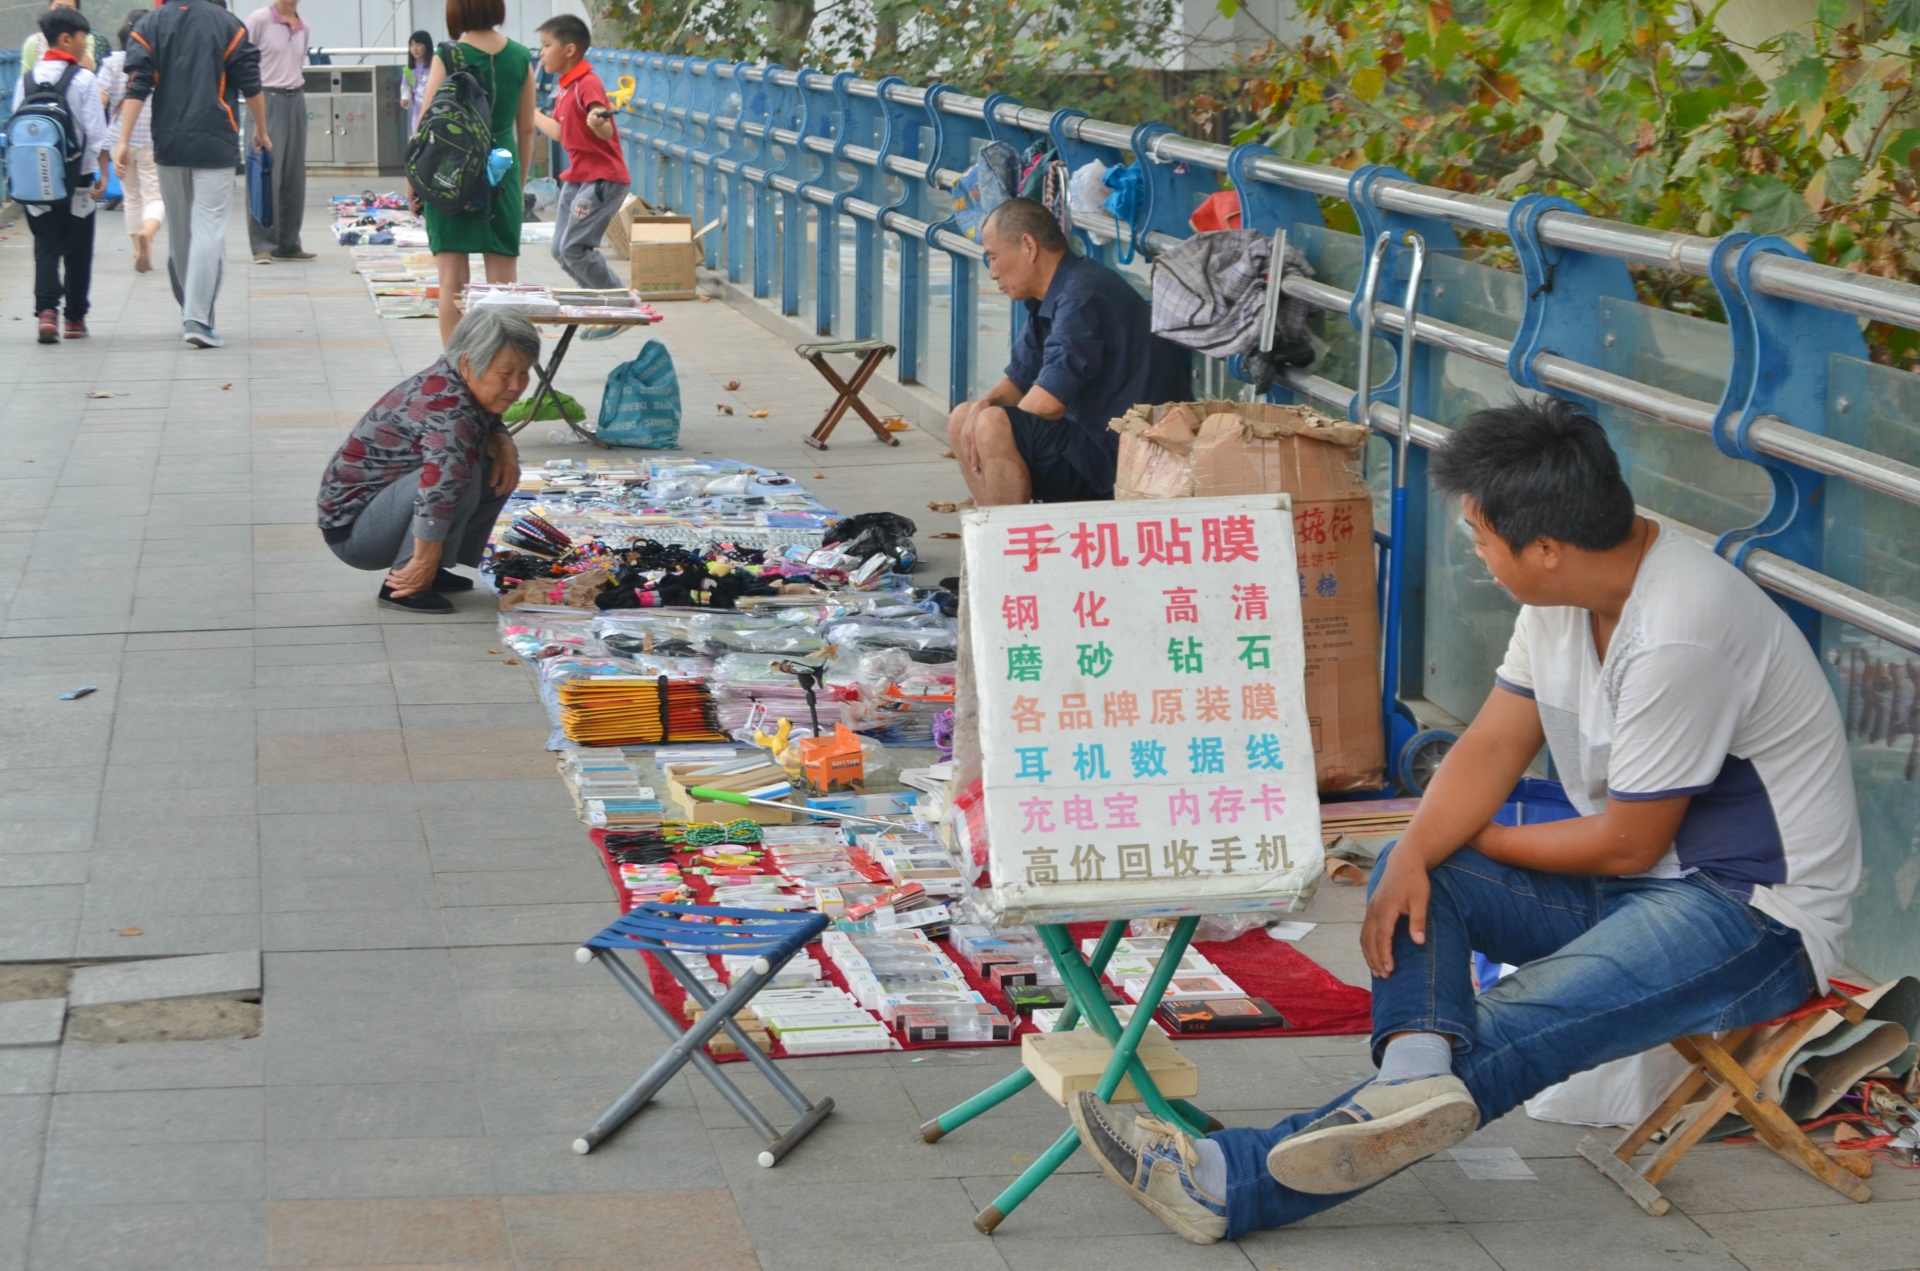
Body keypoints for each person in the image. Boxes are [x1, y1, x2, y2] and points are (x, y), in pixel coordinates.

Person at [1067, 397, 1862, 1245]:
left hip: (1751, 914)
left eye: (1482, 537)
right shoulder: (1570, 588)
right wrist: (1413, 849)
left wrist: (1473, 840)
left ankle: (1228, 1181)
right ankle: (1413, 1073)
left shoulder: (1680, 629)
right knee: (1420, 873)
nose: (1477, 554)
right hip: (1645, 884)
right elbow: (1488, 746)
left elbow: (1630, 843)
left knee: (1515, 1024)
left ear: (1546, 548)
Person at [947, 197, 1191, 504]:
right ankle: (987, 537)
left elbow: (1048, 403)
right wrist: (981, 408)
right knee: (963, 417)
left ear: (1028, 246)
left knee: (993, 425)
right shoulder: (1049, 296)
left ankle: (1012, 546)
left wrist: (991, 432)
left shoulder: (1083, 295)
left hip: (1127, 457)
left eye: (993, 257)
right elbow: (1019, 381)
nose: (992, 272)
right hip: (1088, 445)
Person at [316, 306, 530, 614]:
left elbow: (487, 420)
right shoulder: (446, 408)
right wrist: (423, 560)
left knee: (487, 468)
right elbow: (440, 486)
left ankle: (434, 567)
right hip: (354, 533)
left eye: (524, 372)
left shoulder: (455, 378)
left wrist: (505, 445)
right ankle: (404, 584)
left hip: (381, 510)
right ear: (468, 364)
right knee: (458, 474)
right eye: (505, 374)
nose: (516, 386)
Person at [118, 0, 270, 349]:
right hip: (215, 139)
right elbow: (250, 82)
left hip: (168, 141)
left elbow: (138, 84)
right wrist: (262, 129)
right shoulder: (228, 24)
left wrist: (123, 140)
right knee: (208, 229)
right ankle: (197, 318)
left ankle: (192, 311)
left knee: (182, 232)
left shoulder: (151, 24)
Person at [412, 0, 533, 347]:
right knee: (503, 284)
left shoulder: (448, 55)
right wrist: (517, 183)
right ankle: (499, 368)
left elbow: (427, 121)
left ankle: (455, 370)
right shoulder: (521, 56)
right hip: (503, 172)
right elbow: (526, 130)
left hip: (451, 172)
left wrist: (413, 180)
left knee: (452, 280)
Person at [17, 6, 110, 343]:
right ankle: (74, 318)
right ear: (67, 38)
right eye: (84, 37)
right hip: (76, 180)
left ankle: (46, 313)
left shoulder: (26, 79)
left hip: (36, 182)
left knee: (45, 245)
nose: (86, 44)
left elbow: (17, 126)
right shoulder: (84, 79)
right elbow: (95, 132)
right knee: (78, 248)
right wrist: (100, 171)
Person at [531, 12, 629, 331]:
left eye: (547, 45)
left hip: (601, 179)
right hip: (577, 178)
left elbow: (602, 124)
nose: (542, 53)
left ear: (569, 49)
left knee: (574, 248)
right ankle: (599, 304)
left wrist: (599, 120)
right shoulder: (565, 86)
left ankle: (619, 307)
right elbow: (559, 132)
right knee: (560, 249)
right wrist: (527, 111)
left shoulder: (587, 82)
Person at [243, 0, 313, 263]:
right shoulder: (259, 20)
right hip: (266, 98)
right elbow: (244, 62)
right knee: (264, 171)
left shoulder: (303, 26)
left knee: (293, 174)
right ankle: (262, 244)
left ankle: (289, 242)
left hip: (296, 98)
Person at [97, 14, 162, 274]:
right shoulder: (159, 62)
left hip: (119, 140)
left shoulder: (111, 64)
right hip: (152, 139)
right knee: (154, 196)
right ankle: (148, 233)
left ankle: (139, 251)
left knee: (132, 197)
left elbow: (99, 102)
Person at [22, 0, 105, 70]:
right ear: (49, 8)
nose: (63, 12)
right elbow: (25, 79)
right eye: (58, 7)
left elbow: (88, 69)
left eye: (69, 9)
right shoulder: (33, 42)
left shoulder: (87, 37)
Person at [400, 29, 434, 134]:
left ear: (427, 46)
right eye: (411, 45)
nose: (414, 49)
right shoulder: (409, 70)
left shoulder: (436, 65)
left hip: (435, 112)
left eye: (418, 45)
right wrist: (405, 100)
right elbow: (406, 89)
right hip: (418, 114)